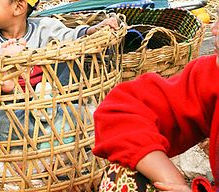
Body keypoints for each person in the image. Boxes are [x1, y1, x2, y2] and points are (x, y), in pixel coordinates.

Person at [0, 0, 119, 140]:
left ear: (19, 7)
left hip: (44, 100)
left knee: (72, 61)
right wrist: (3, 68)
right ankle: (57, 125)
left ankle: (53, 118)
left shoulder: (45, 28)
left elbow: (74, 37)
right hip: (5, 110)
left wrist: (94, 29)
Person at [93, 19, 219, 192]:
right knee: (124, 176)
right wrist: (171, 179)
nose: (214, 29)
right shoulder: (212, 78)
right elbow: (121, 109)